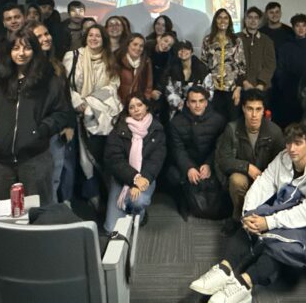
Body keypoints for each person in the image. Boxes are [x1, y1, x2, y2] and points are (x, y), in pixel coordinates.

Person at [189, 122, 306, 303]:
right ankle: (224, 269)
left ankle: (244, 284)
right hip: (279, 207)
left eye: (298, 143)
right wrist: (248, 212)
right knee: (249, 225)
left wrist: (268, 222)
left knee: (279, 247)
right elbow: (264, 182)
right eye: (289, 143)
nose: (292, 149)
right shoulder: (283, 157)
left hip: (300, 221)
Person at [0, 28, 73, 205]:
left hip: (35, 157)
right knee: (2, 212)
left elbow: (61, 113)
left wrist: (41, 131)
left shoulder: (48, 80)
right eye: (16, 48)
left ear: (35, 50)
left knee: (37, 211)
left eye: (27, 48)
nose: (21, 53)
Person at [63, 25, 122, 201]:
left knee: (99, 154)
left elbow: (112, 87)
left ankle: (104, 198)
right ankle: (90, 197)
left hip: (100, 116)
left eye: (98, 36)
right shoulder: (73, 56)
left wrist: (90, 102)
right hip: (76, 114)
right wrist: (77, 101)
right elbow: (64, 85)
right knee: (82, 159)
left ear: (104, 39)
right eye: (91, 35)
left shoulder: (109, 59)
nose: (94, 39)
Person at [214, 89, 284, 236]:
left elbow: (283, 164)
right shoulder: (232, 129)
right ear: (243, 109)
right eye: (250, 109)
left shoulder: (274, 132)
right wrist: (246, 167)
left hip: (266, 179)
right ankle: (238, 218)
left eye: (258, 109)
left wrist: (266, 177)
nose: (254, 115)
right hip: (244, 176)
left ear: (263, 110)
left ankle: (259, 219)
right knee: (236, 180)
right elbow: (223, 160)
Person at [103, 94, 166, 232]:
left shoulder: (157, 129)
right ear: (128, 111)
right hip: (121, 178)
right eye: (132, 107)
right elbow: (114, 159)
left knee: (139, 201)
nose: (136, 109)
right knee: (111, 229)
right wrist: (134, 178)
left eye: (139, 105)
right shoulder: (119, 129)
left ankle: (138, 213)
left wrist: (141, 180)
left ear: (146, 107)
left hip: (145, 176)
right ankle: (128, 209)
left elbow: (156, 160)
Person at [29, 21, 75, 203]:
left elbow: (66, 98)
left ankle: (53, 214)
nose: (45, 38)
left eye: (46, 34)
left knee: (55, 178)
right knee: (37, 181)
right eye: (39, 36)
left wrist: (69, 124)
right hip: (35, 132)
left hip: (56, 131)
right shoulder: (26, 66)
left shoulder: (57, 66)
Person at [167, 86, 227, 220]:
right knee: (173, 174)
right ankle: (183, 200)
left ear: (206, 102)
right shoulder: (176, 122)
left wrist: (209, 164)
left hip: (210, 161)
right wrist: (189, 167)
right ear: (187, 103)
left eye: (201, 101)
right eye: (193, 101)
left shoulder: (219, 120)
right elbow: (178, 149)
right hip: (189, 161)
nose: (197, 105)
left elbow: (220, 147)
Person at [202, 9, 246, 120]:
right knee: (214, 121)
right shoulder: (208, 40)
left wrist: (238, 89)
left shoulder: (236, 40)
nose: (223, 20)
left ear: (229, 21)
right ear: (215, 20)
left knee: (232, 121)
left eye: (226, 18)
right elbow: (203, 64)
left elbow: (241, 66)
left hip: (231, 89)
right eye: (219, 18)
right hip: (213, 89)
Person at [274, 14, 306, 128]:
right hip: (289, 92)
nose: (301, 28)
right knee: (289, 125)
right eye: (297, 26)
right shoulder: (285, 47)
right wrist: (283, 86)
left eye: (304, 25)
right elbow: (279, 69)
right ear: (293, 27)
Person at [163, 39, 211, 120]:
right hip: (177, 109)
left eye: (186, 48)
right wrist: (182, 106)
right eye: (180, 49)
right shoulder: (172, 69)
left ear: (192, 52)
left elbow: (209, 92)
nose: (183, 51)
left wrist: (194, 104)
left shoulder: (202, 68)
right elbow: (169, 91)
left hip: (199, 108)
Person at [239, 8, 275, 101]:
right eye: (250, 17)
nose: (253, 20)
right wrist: (244, 82)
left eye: (256, 18)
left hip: (262, 88)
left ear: (259, 20)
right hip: (240, 87)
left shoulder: (267, 40)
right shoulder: (236, 38)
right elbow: (233, 64)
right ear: (245, 20)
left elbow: (270, 65)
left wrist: (261, 83)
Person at [116, 33, 154, 105]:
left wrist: (145, 102)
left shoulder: (146, 61)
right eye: (135, 44)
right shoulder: (118, 60)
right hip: (120, 102)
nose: (138, 48)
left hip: (138, 103)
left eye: (141, 46)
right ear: (128, 45)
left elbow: (148, 86)